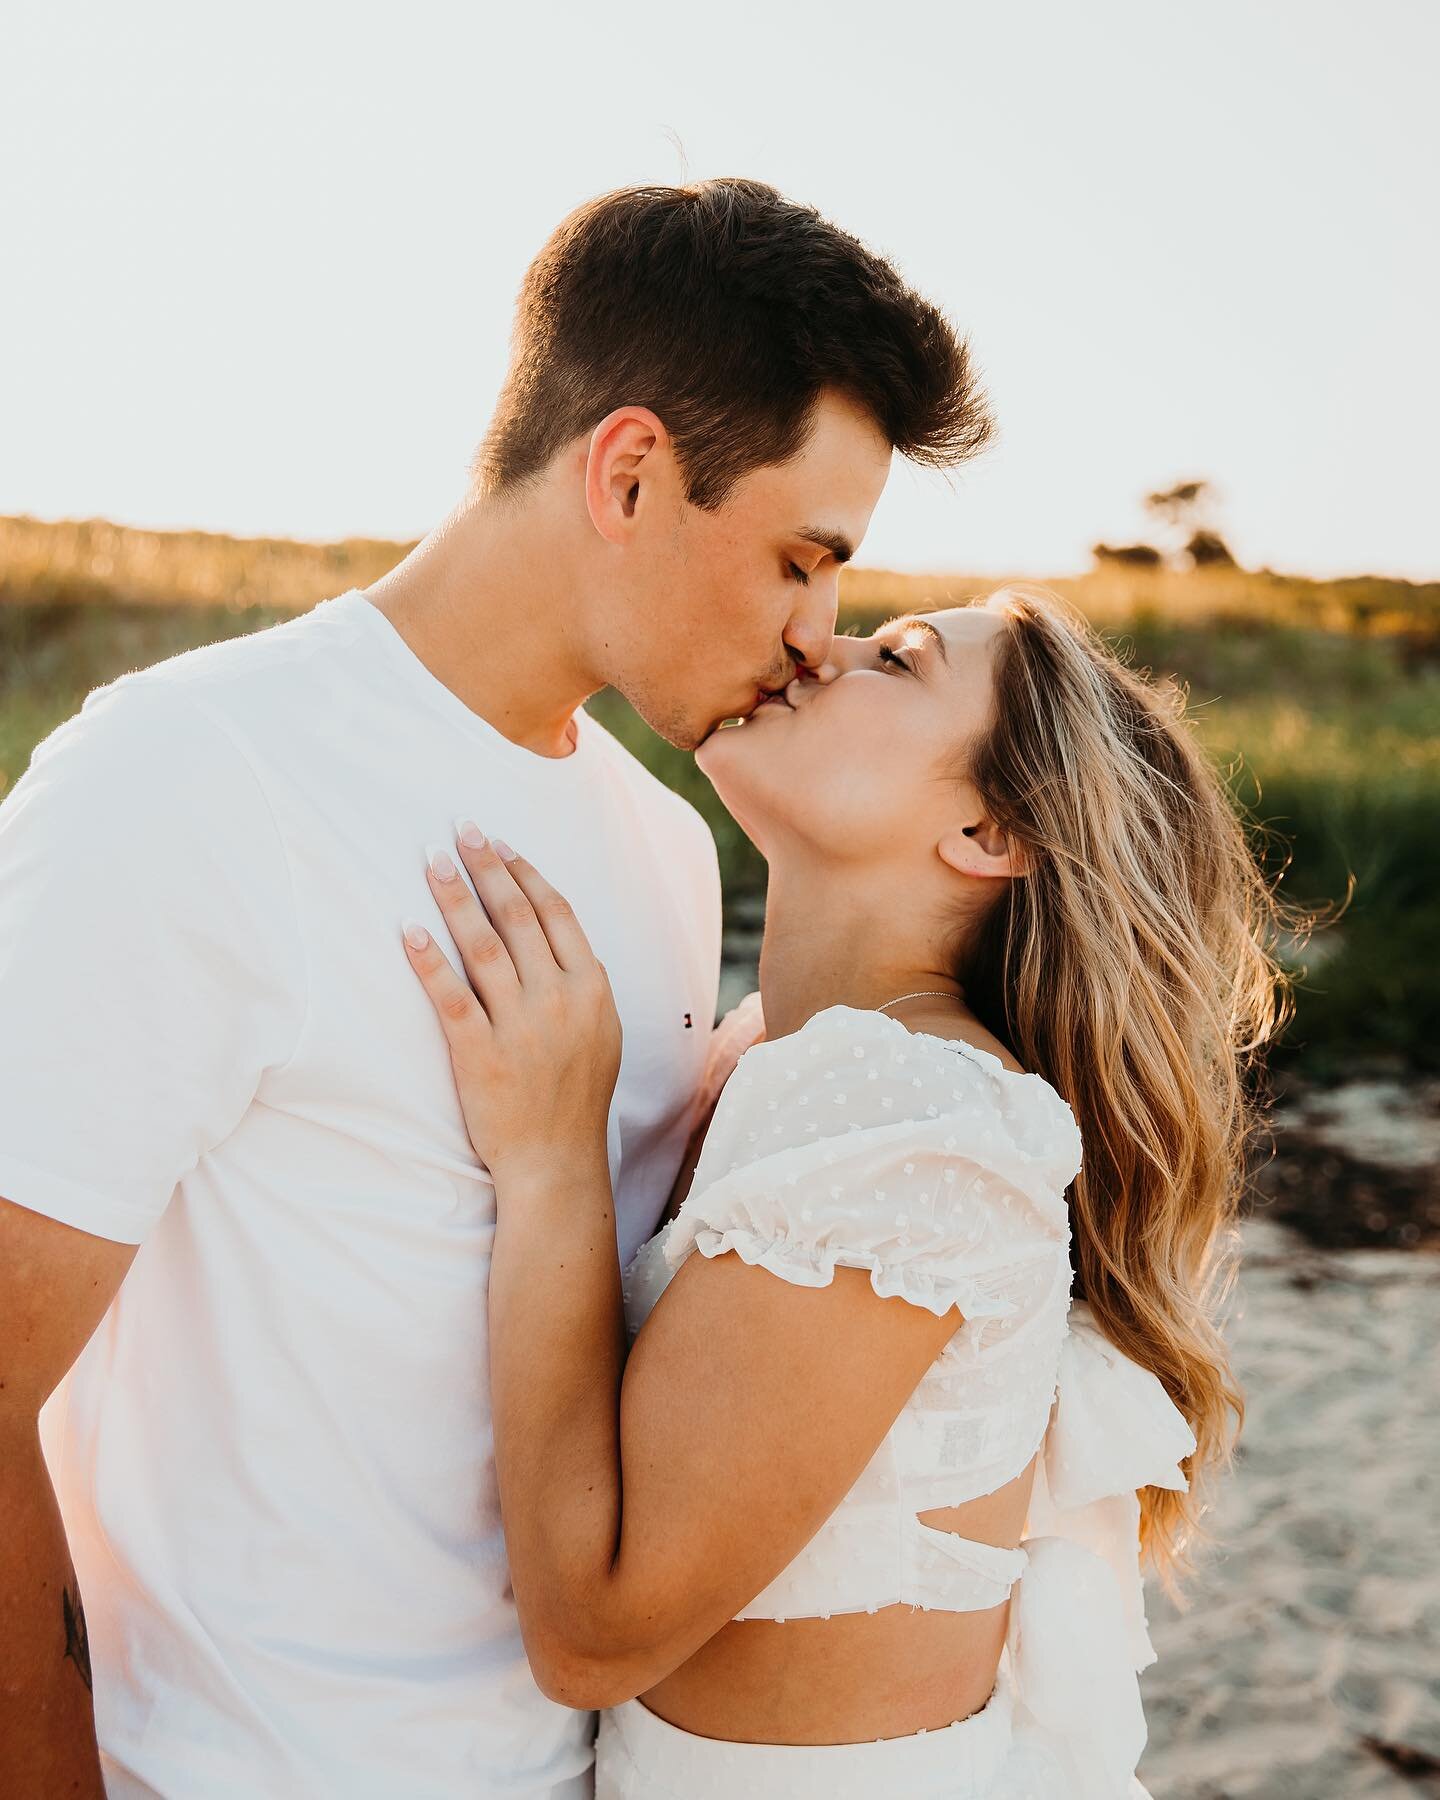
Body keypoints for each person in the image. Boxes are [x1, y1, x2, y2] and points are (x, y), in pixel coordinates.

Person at [0, 179, 992, 1799]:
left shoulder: (670, 850)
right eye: (803, 562)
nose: (822, 637)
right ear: (628, 472)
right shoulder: (190, 778)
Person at [401, 586, 1287, 1797]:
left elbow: (595, 1631)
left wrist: (552, 1159)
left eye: (902, 658)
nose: (822, 645)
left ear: (984, 834)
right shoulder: (781, 1055)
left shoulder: (910, 1115)